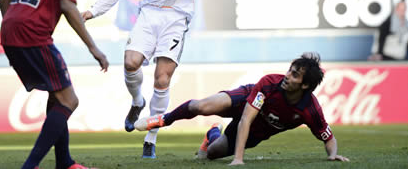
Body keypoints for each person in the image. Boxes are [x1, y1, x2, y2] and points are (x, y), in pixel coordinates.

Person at [82, 0, 199, 159]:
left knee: (161, 78)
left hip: (177, 16)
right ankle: (137, 101)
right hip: (149, 14)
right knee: (131, 61)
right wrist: (93, 10)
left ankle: (151, 137)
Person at [0, 0, 109, 169]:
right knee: (70, 100)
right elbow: (67, 4)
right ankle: (30, 166)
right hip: (33, 34)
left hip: (9, 30)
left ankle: (65, 163)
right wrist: (94, 48)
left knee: (56, 95)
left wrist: (14, 28)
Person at [135, 52, 349, 165]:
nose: (287, 75)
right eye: (289, 70)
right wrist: (238, 159)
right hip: (246, 100)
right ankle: (164, 119)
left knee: (212, 154)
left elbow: (328, 137)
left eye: (294, 75)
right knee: (202, 106)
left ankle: (212, 133)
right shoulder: (269, 83)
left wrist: (332, 155)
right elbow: (246, 118)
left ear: (304, 85)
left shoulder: (309, 109)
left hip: (257, 131)